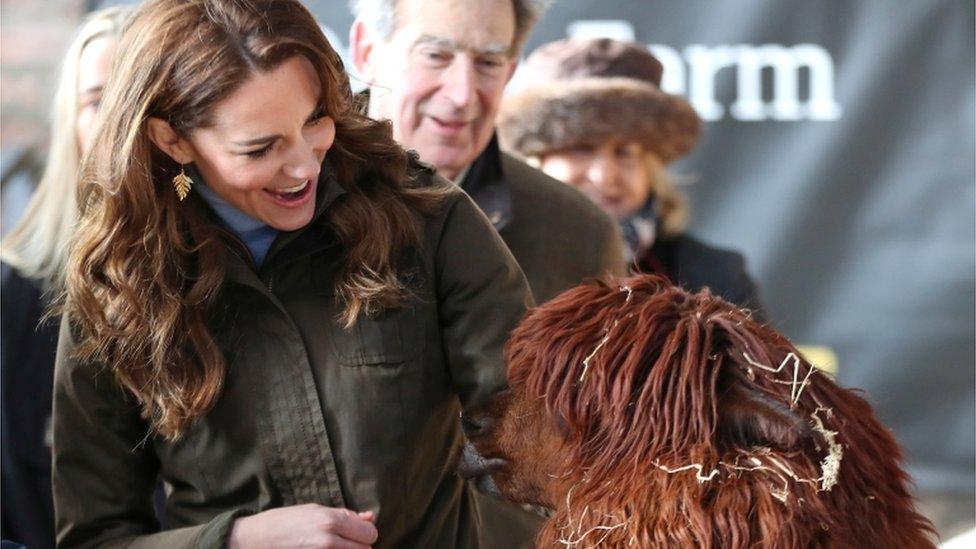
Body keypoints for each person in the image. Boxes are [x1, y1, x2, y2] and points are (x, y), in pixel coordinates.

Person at [52, 1, 534, 547]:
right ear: (173, 140)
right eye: (260, 148)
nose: (306, 165)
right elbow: (93, 536)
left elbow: (537, 440)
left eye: (314, 121)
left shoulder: (425, 218)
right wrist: (231, 542)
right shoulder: (117, 283)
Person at [348, 0, 627, 305]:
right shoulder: (301, 202)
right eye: (436, 56)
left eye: (488, 63)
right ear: (366, 52)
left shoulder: (581, 237)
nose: (462, 94)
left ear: (509, 72)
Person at [498, 37, 764, 312]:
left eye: (624, 152)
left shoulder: (714, 277)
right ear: (535, 161)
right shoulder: (497, 263)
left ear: (650, 167)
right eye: (581, 149)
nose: (604, 176)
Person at [0, 7, 129, 548]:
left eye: (139, 94)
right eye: (98, 99)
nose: (119, 119)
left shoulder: (227, 270)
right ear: (69, 123)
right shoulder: (16, 293)